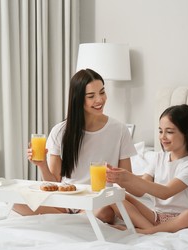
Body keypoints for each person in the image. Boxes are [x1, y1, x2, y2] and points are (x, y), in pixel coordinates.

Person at [13, 68, 137, 221]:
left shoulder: (119, 130)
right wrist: (42, 164)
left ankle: (69, 220)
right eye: (91, 96)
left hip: (97, 201)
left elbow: (127, 179)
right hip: (66, 199)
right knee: (16, 203)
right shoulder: (60, 131)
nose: (100, 100)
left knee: (106, 212)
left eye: (102, 92)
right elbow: (54, 183)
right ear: (78, 99)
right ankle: (77, 220)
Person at [105, 104, 188, 234]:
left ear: (187, 134)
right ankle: (151, 229)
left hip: (181, 219)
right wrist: (119, 178)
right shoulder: (159, 157)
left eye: (169, 132)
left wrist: (129, 177)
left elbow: (165, 192)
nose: (163, 137)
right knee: (113, 195)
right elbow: (140, 190)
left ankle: (146, 232)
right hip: (156, 217)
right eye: (161, 131)